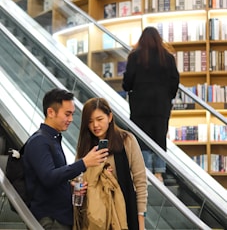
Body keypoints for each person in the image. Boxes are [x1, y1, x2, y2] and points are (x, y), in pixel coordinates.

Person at [23, 88, 108, 230]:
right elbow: (48, 177)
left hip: (59, 217)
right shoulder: (39, 141)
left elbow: (50, 179)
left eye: (72, 114)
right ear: (51, 112)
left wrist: (70, 188)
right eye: (67, 114)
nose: (71, 119)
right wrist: (84, 163)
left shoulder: (52, 139)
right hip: (50, 220)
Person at [75, 97, 147, 230]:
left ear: (110, 117)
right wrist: (81, 185)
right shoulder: (86, 146)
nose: (95, 125)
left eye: (99, 119)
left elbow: (140, 181)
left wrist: (140, 219)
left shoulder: (126, 140)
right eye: (90, 122)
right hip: (95, 216)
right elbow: (77, 178)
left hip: (124, 212)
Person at [122, 26, 179, 183]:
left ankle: (145, 172)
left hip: (140, 105)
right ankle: (159, 173)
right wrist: (168, 97)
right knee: (160, 136)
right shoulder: (167, 57)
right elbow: (175, 80)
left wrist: (130, 88)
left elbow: (127, 82)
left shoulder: (135, 56)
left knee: (141, 137)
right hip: (161, 105)